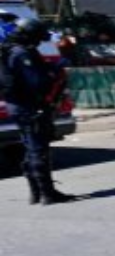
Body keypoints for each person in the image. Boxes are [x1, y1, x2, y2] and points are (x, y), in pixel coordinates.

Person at [5, 18, 78, 205]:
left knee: (30, 148)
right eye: (38, 36)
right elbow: (37, 83)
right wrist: (56, 68)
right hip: (29, 106)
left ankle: (36, 193)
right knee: (38, 149)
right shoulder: (22, 54)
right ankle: (47, 194)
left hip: (20, 106)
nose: (40, 41)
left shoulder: (14, 50)